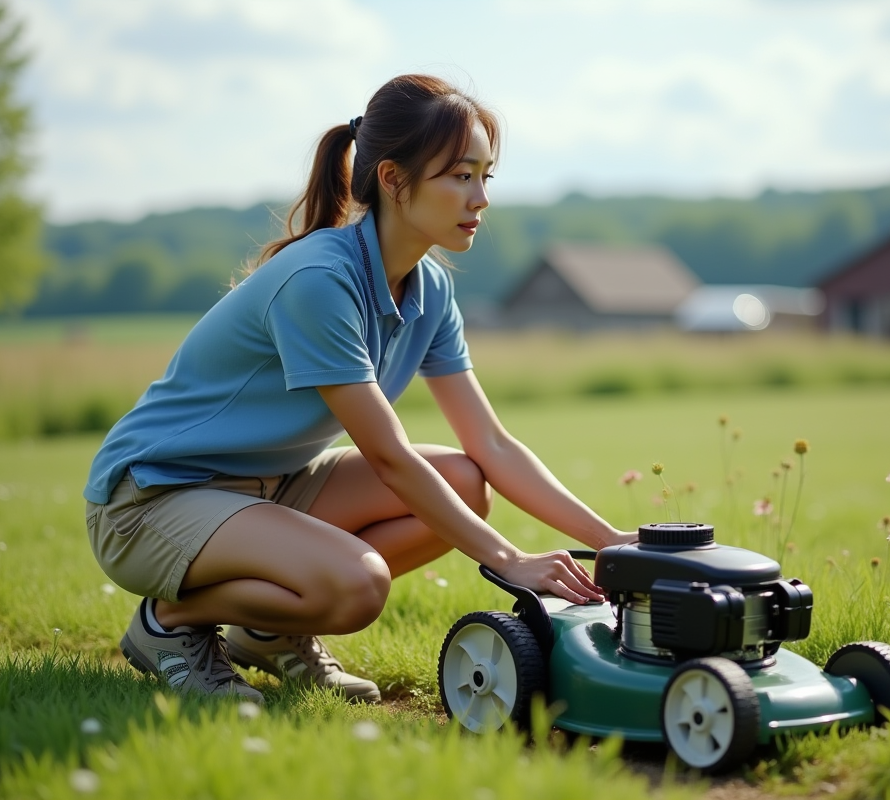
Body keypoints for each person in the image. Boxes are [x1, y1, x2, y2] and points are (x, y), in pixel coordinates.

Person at [83, 74, 635, 705]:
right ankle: (169, 624)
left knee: (465, 482)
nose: (481, 197)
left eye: (486, 176)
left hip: (271, 487)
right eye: (461, 176)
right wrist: (509, 560)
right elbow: (390, 457)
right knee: (358, 585)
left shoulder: (430, 289)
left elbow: (491, 444)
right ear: (393, 179)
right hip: (152, 501)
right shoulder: (319, 280)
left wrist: (613, 543)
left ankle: (266, 631)